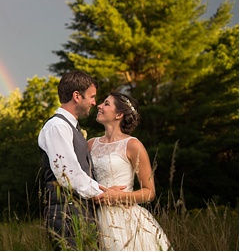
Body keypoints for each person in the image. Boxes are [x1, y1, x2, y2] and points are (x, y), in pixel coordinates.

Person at [38, 70, 124, 250]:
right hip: (67, 212)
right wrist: (104, 193)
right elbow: (68, 175)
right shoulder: (57, 126)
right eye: (92, 97)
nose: (94, 102)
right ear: (77, 96)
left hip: (78, 210)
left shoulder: (69, 126)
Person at [89, 92, 171, 250]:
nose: (99, 106)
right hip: (95, 216)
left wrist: (120, 196)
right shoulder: (91, 144)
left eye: (106, 104)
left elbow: (149, 192)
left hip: (125, 219)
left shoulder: (133, 145)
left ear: (119, 114)